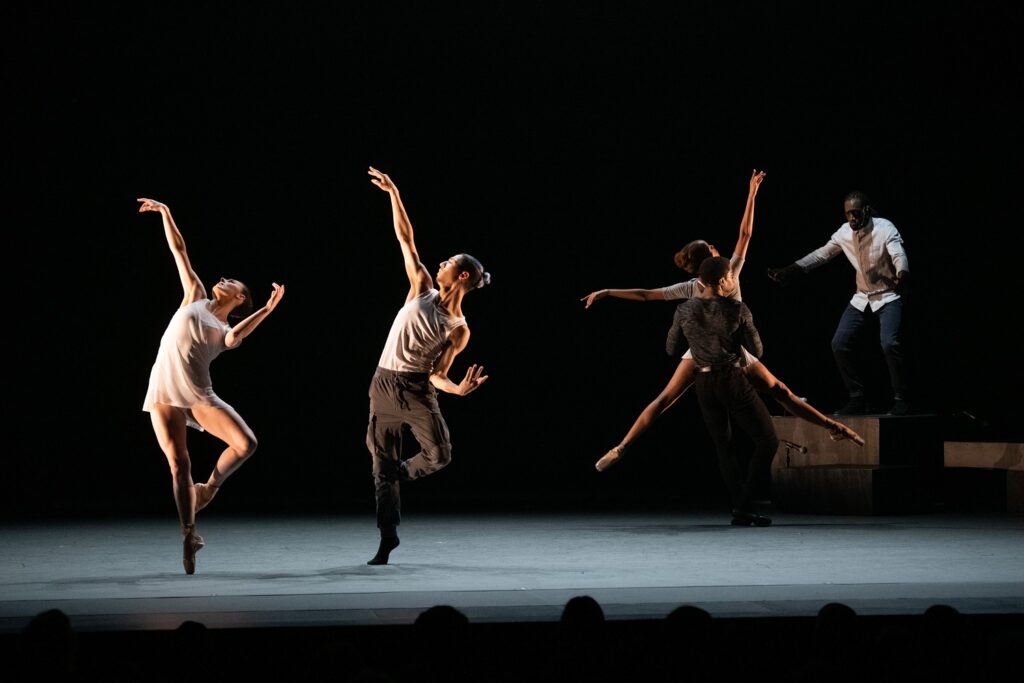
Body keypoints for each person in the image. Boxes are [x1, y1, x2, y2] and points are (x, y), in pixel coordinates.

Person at [581, 170, 862, 472]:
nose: (718, 250)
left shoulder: (691, 286)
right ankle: (832, 425)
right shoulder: (731, 272)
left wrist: (608, 291)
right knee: (780, 391)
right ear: (712, 259)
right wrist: (752, 194)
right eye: (714, 248)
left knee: (665, 399)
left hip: (701, 352)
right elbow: (745, 234)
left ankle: (621, 446)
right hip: (730, 352)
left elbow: (647, 295)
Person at [139, 198, 285, 575]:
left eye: (232, 282)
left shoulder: (224, 330)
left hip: (199, 395)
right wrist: (166, 212)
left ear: (239, 298)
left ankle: (210, 488)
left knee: (246, 443)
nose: (223, 279)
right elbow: (180, 251)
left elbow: (238, 335)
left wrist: (267, 309)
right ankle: (189, 534)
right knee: (178, 463)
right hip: (165, 390)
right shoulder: (194, 296)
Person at [365, 167, 491, 565]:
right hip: (383, 385)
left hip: (418, 389)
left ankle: (396, 473)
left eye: (450, 262)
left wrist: (458, 389)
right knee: (379, 466)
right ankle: (388, 536)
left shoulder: (458, 327)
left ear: (463, 276)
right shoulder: (420, 287)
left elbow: (439, 372)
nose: (441, 263)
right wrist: (394, 193)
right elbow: (406, 239)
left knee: (439, 455)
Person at [768, 191, 910, 415]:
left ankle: (902, 398)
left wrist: (902, 274)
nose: (852, 218)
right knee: (839, 343)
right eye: (848, 214)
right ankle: (857, 397)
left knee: (889, 344)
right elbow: (822, 254)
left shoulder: (885, 228)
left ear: (867, 210)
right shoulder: (845, 233)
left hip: (888, 295)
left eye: (856, 213)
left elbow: (898, 253)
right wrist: (791, 270)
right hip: (862, 297)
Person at [674, 256, 778, 526]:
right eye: (731, 276)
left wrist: (699, 341)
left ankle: (740, 508)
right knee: (767, 440)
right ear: (722, 281)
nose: (733, 280)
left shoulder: (684, 310)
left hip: (703, 382)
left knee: (725, 446)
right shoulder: (737, 308)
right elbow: (757, 351)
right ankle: (744, 504)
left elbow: (670, 347)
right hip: (731, 378)